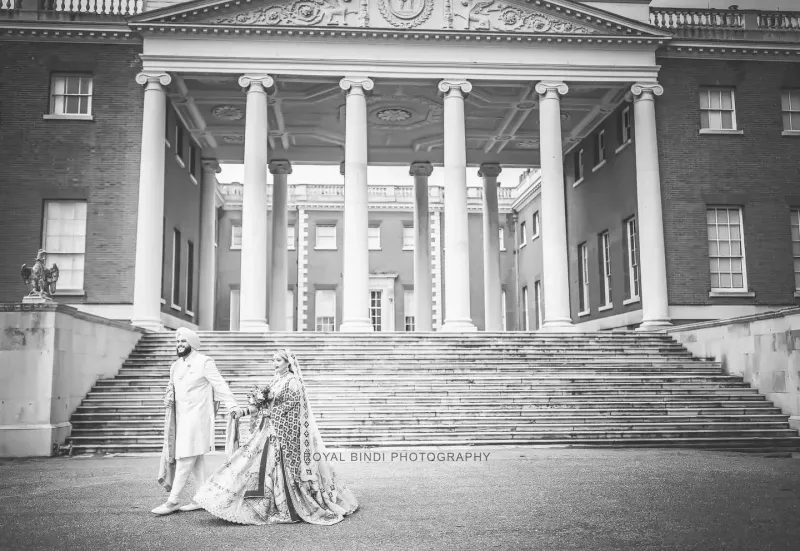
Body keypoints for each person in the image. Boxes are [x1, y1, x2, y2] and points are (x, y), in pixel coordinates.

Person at [192, 348, 358, 525]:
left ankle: (282, 503)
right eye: (273, 360)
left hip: (282, 435)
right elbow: (263, 405)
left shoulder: (293, 382)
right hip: (267, 431)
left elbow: (294, 410)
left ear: (288, 362)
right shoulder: (275, 381)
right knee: (247, 463)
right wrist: (244, 411)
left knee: (267, 467)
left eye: (278, 360)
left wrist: (268, 412)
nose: (275, 363)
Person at [151, 327, 239, 515]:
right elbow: (171, 388)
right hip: (179, 419)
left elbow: (220, 385)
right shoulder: (176, 365)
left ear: (192, 343)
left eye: (183, 341)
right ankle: (202, 498)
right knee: (196, 459)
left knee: (185, 458)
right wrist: (167, 397)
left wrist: (232, 406)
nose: (179, 344)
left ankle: (172, 501)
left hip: (198, 418)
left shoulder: (204, 362)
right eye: (178, 341)